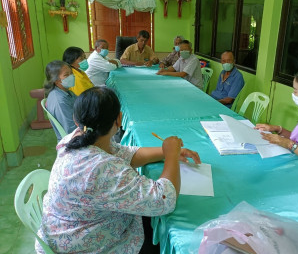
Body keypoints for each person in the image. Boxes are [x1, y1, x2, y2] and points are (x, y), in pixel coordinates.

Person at [36, 87, 201, 254]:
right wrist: (172, 155)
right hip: (84, 245)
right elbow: (164, 200)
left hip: (67, 231)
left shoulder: (75, 139)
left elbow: (125, 153)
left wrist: (166, 151)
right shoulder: (102, 169)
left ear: (76, 120)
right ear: (119, 119)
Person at [44, 60, 77, 141]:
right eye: (66, 75)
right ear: (56, 80)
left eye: (71, 73)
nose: (71, 76)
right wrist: (88, 127)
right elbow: (71, 131)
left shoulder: (65, 91)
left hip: (79, 127)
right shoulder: (60, 101)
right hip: (72, 139)